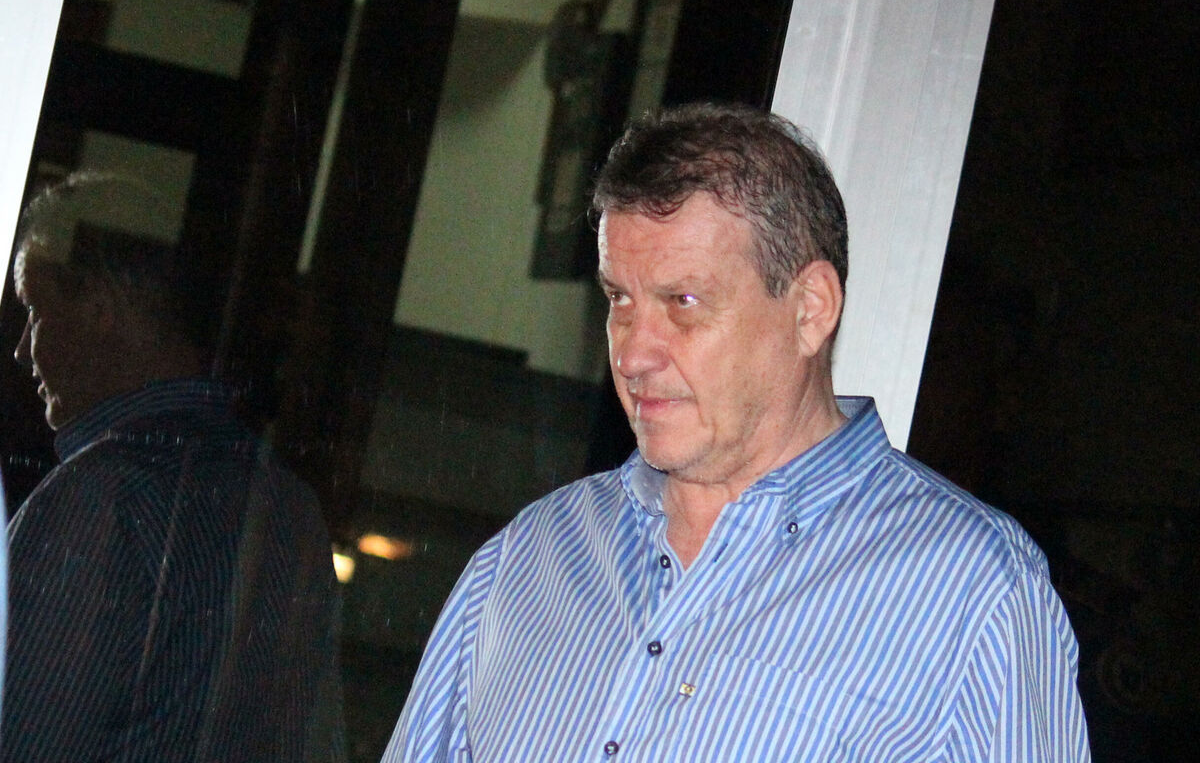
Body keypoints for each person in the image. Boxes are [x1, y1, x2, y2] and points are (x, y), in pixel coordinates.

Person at [383, 103, 1091, 762]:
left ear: (810, 310)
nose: (632, 354)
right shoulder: (528, 558)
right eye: (620, 299)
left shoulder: (972, 590)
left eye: (683, 301)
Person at [2, 171, 345, 762]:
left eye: (35, 312)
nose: (21, 348)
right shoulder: (289, 508)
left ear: (100, 310)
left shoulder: (96, 499)